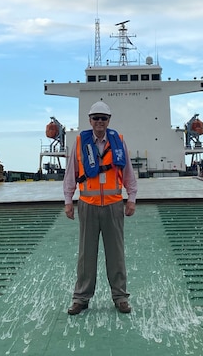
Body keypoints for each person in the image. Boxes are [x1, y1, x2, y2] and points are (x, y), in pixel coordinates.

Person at [63, 100, 137, 315]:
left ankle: (120, 297)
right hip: (88, 205)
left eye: (103, 118)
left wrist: (131, 198)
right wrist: (69, 201)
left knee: (116, 254)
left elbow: (129, 173)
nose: (99, 122)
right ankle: (81, 298)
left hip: (114, 205)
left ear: (109, 121)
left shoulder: (118, 141)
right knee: (86, 255)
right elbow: (71, 174)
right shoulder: (79, 143)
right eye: (95, 118)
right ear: (90, 120)